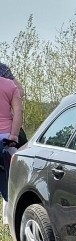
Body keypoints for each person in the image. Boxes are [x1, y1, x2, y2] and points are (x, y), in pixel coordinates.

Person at [0, 75, 22, 204]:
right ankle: (10, 219)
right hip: (6, 137)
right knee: (10, 180)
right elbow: (19, 110)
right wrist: (14, 135)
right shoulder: (9, 84)